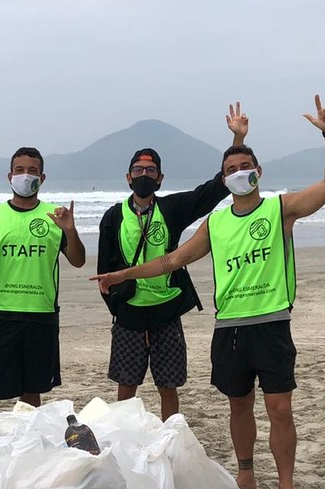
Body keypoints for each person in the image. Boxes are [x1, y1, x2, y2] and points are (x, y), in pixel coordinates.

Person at [92, 95, 325, 489]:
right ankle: (246, 472)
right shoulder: (216, 222)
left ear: (258, 172)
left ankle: (286, 485)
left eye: (244, 167)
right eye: (230, 170)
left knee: (280, 408)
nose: (238, 174)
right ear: (224, 179)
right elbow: (173, 259)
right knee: (238, 403)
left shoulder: (281, 209)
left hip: (271, 322)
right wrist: (121, 275)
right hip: (228, 327)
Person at [97, 104, 249, 420]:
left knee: (168, 386)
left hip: (167, 311)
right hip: (129, 316)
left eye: (150, 171)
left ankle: (170, 437)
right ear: (128, 177)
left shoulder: (172, 209)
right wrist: (119, 306)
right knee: (126, 385)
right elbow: (105, 274)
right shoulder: (112, 217)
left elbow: (215, 189)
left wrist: (237, 140)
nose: (143, 175)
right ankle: (124, 433)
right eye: (138, 171)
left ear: (160, 178)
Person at [0, 147, 86, 411]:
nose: (25, 176)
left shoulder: (56, 216)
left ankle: (27, 440)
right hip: (1, 314)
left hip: (41, 315)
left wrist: (71, 231)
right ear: (9, 176)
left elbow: (78, 260)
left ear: (42, 178)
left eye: (32, 171)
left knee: (33, 391)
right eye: (19, 170)